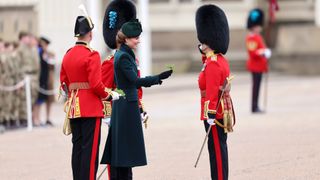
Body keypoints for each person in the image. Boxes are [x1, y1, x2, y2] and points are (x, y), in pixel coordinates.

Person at [100, 19, 173, 179]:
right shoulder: (124, 57)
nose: (138, 40)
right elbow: (135, 82)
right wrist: (157, 78)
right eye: (135, 38)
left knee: (125, 152)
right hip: (125, 106)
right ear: (126, 39)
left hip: (127, 104)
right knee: (124, 152)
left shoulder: (125, 54)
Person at [60, 14, 120, 180]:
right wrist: (109, 95)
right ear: (90, 34)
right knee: (90, 151)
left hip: (74, 107)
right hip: (90, 108)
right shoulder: (91, 55)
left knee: (77, 148)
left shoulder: (68, 54)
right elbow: (95, 84)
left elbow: (63, 83)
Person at [100, 0, 140, 179]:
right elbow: (105, 89)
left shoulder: (130, 59)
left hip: (129, 111)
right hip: (117, 112)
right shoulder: (111, 61)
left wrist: (139, 108)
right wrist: (108, 115)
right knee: (117, 157)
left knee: (128, 155)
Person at [196, 4, 235, 180]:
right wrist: (205, 50)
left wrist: (210, 113)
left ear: (208, 42)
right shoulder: (219, 60)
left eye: (203, 42)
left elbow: (211, 91)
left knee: (217, 150)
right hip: (222, 108)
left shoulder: (212, 64)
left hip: (214, 111)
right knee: (220, 147)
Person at [246, 8, 271, 113]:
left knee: (257, 86)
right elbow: (253, 52)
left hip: (260, 66)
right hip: (255, 66)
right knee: (256, 87)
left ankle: (256, 105)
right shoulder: (251, 38)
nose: (259, 28)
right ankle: (254, 106)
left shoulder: (257, 36)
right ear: (254, 26)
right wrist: (263, 52)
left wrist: (265, 51)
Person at [33, 36, 55, 126]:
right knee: (38, 100)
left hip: (46, 79)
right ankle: (36, 118)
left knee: (44, 99)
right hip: (39, 79)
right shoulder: (38, 52)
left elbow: (51, 63)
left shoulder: (47, 53)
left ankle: (44, 118)